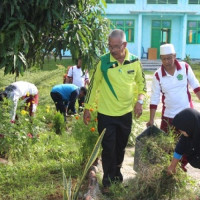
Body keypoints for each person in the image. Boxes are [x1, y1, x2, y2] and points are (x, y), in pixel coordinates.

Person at [83, 29, 146, 190]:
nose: (112, 50)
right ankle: (107, 182)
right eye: (110, 46)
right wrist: (88, 108)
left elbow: (142, 84)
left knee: (120, 148)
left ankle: (117, 178)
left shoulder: (134, 61)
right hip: (106, 114)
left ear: (124, 45)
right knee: (108, 148)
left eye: (116, 47)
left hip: (125, 114)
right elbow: (93, 85)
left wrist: (140, 101)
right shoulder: (103, 62)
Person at [147, 43, 200, 132]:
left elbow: (196, 86)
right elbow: (154, 98)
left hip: (187, 114)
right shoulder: (158, 75)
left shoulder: (185, 67)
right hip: (168, 117)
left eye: (169, 58)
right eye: (164, 59)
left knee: (189, 142)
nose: (167, 61)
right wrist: (151, 119)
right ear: (161, 58)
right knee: (166, 143)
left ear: (174, 56)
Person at [167, 108, 200, 174]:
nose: (180, 132)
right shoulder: (187, 135)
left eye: (182, 130)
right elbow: (179, 149)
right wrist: (172, 166)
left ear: (190, 126)